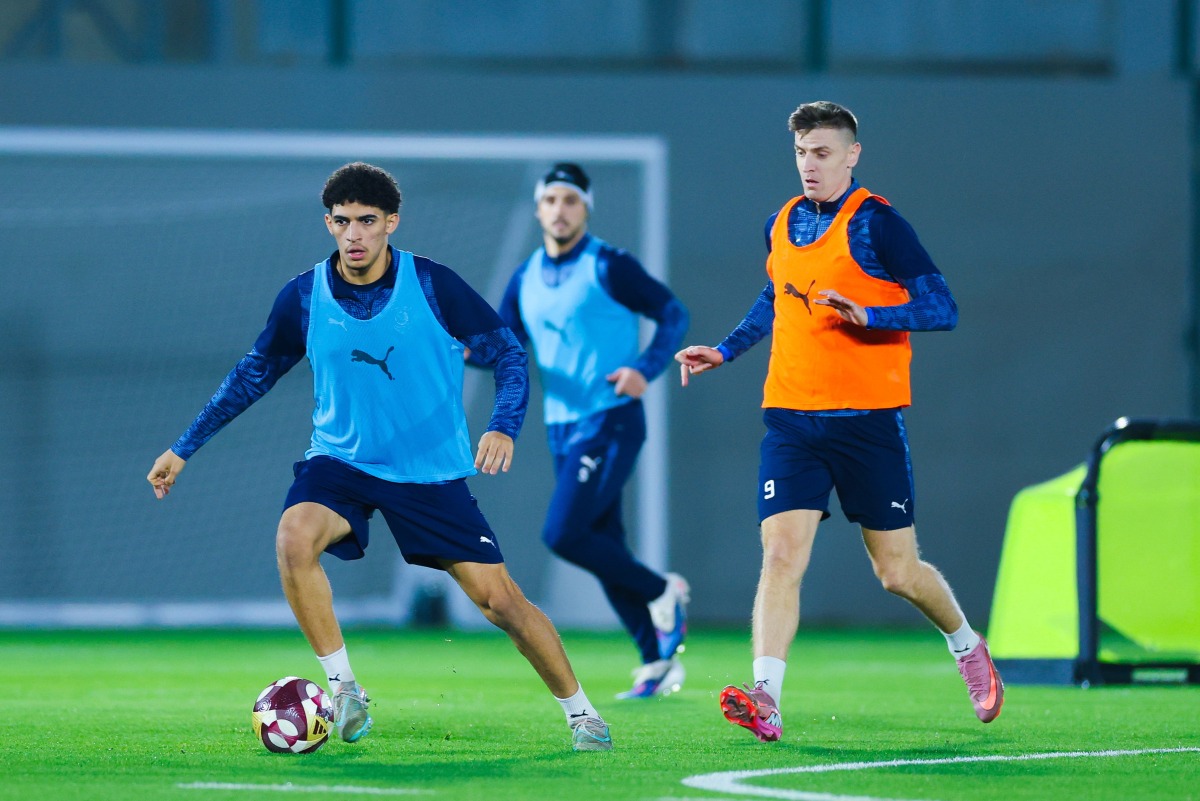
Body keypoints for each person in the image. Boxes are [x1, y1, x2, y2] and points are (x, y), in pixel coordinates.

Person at [147, 162, 613, 752]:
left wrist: (503, 426)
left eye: (368, 221)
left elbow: (510, 355)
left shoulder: (434, 284)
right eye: (343, 222)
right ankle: (344, 690)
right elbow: (253, 375)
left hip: (429, 473)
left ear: (392, 222)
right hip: (341, 464)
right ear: (328, 224)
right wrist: (183, 447)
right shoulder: (303, 297)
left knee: (502, 603)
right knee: (294, 537)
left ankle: (582, 715)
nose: (355, 235)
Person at [675, 101, 1003, 742]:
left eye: (822, 152)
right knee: (779, 556)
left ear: (852, 155)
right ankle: (765, 696)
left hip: (867, 422)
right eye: (801, 153)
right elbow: (775, 298)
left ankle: (966, 645)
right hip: (792, 421)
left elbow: (943, 306)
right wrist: (725, 349)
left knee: (897, 572)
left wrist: (871, 316)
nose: (809, 165)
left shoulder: (879, 224)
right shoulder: (782, 221)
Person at [492, 162, 691, 699]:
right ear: (538, 209)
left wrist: (644, 370)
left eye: (571, 200)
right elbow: (502, 346)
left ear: (586, 208)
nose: (560, 210)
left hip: (610, 419)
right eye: (551, 200)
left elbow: (672, 313)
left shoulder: (610, 265)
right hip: (561, 427)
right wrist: (450, 351)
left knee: (564, 534)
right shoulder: (526, 277)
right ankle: (657, 660)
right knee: (604, 542)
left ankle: (662, 590)